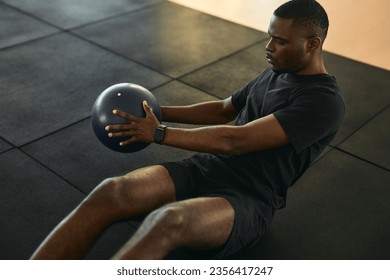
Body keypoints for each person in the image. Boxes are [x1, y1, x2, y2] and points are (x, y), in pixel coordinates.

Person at [31, 0, 344, 260]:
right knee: (111, 191)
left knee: (167, 221)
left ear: (313, 43)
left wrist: (158, 133)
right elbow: (223, 109)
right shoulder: (274, 72)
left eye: (280, 40)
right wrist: (153, 109)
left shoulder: (323, 103)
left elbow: (236, 140)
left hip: (248, 198)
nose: (268, 46)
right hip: (205, 169)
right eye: (270, 36)